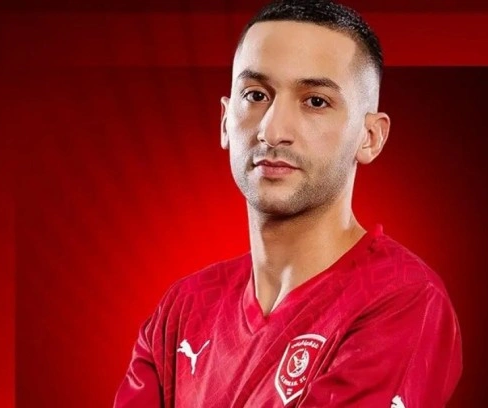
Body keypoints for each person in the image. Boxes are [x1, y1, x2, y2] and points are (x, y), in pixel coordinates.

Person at [113, 0, 462, 407]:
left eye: (315, 101)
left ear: (369, 137)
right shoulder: (183, 307)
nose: (273, 129)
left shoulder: (403, 299)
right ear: (225, 121)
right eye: (256, 94)